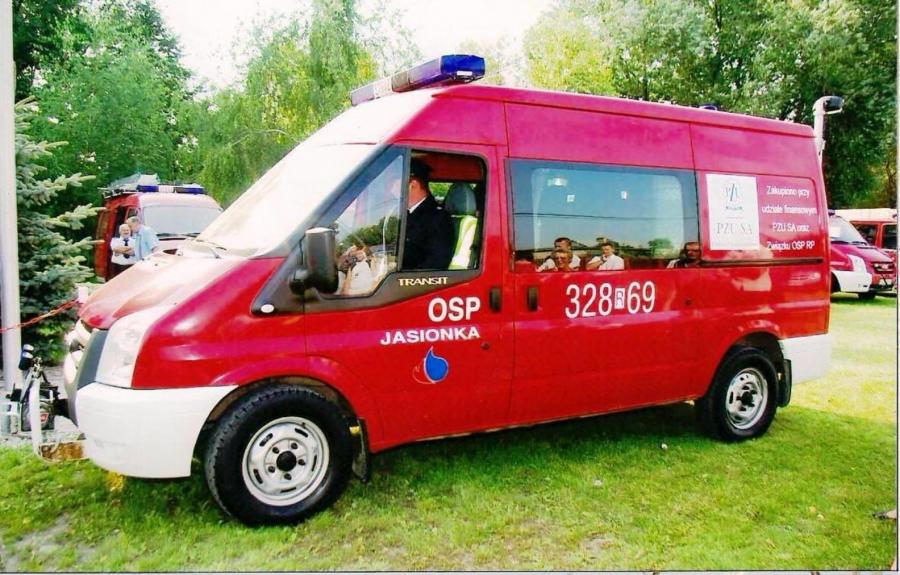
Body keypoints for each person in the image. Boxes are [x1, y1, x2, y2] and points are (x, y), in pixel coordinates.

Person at [401, 159, 454, 270]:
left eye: (394, 183)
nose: (391, 190)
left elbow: (435, 264)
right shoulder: (405, 214)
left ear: (413, 185)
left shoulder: (438, 219)